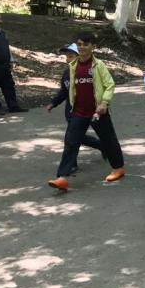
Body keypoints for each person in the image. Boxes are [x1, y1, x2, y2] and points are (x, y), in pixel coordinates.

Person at [48, 32, 126, 192]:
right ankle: (62, 177)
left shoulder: (98, 66)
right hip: (78, 111)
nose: (82, 47)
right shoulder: (72, 66)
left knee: (108, 139)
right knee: (71, 142)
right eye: (80, 44)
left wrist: (104, 103)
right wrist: (55, 102)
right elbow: (68, 88)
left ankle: (118, 168)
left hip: (97, 111)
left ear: (93, 47)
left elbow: (110, 84)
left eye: (86, 44)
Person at [46, 44, 103, 172]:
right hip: (73, 113)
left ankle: (106, 147)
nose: (67, 59)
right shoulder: (67, 73)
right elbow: (64, 91)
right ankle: (71, 165)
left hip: (91, 110)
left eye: (71, 56)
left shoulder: (90, 70)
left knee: (75, 138)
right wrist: (53, 103)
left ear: (80, 56)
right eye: (66, 57)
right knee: (73, 138)